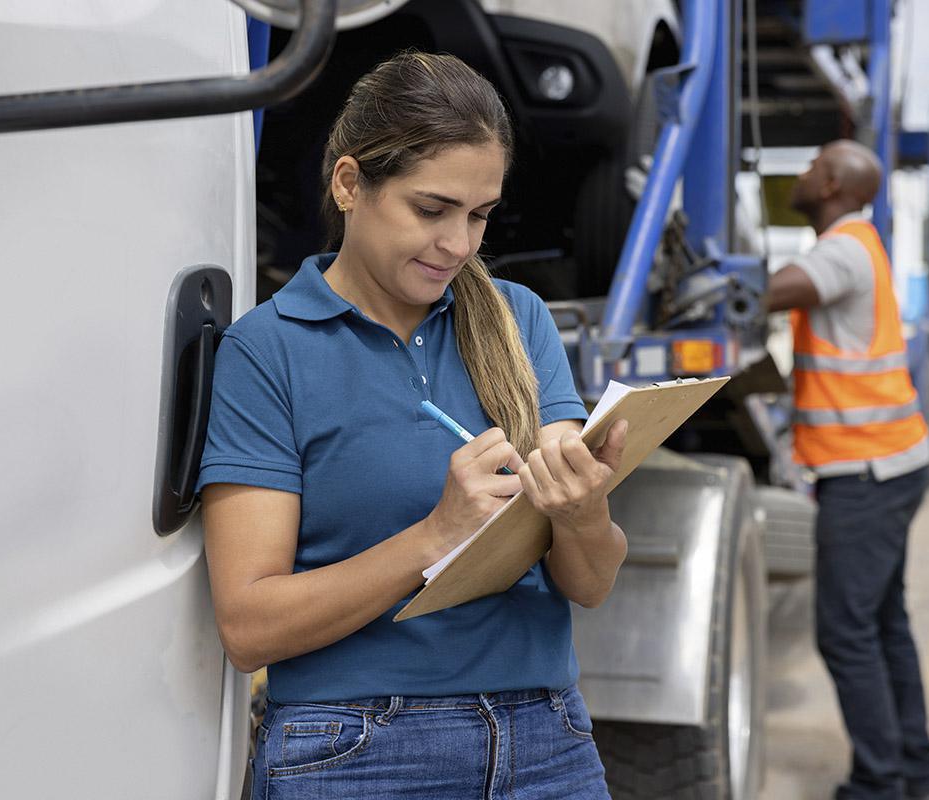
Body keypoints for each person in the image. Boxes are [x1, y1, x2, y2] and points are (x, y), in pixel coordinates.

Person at [196, 51, 628, 799]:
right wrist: (437, 535)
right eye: (431, 210)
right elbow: (248, 628)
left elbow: (589, 585)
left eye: (480, 215)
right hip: (355, 750)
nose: (459, 245)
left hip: (548, 739)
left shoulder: (518, 319)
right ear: (350, 183)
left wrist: (583, 511)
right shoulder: (267, 352)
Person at [766, 140, 929, 800]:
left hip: (866, 472)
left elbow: (770, 293)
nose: (801, 172)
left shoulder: (841, 248)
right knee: (883, 626)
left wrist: (705, 276)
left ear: (833, 182)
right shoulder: (859, 242)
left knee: (845, 633)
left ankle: (879, 784)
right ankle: (915, 779)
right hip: (890, 464)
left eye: (810, 165)